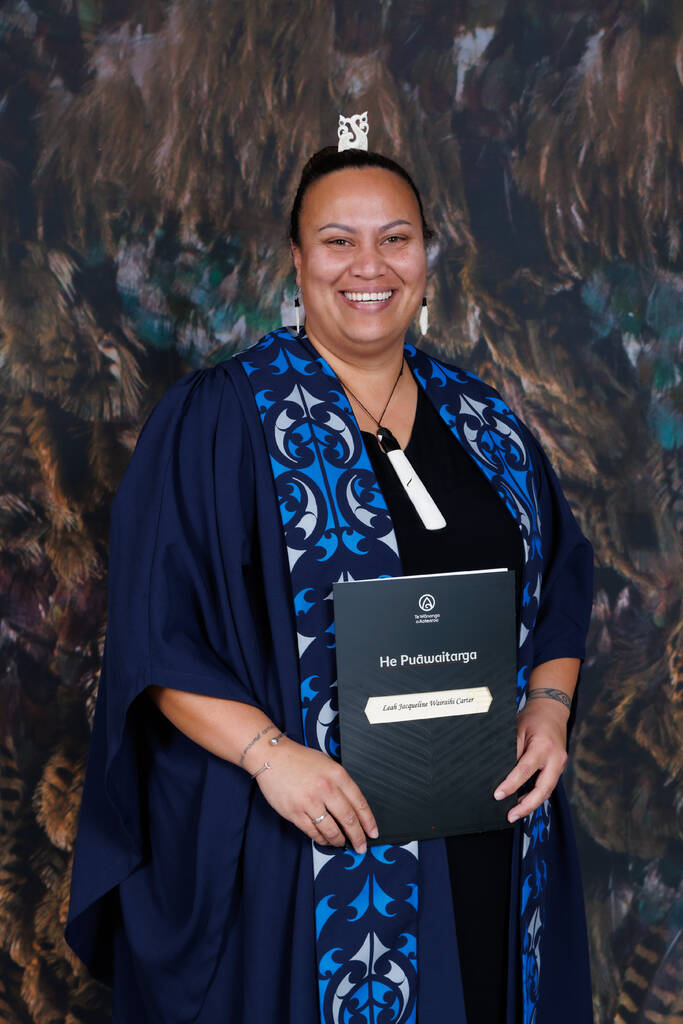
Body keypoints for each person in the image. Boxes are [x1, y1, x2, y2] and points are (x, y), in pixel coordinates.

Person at [65, 132, 594, 1024]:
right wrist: (272, 761)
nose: (368, 266)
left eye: (394, 238)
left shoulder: (486, 423)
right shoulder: (222, 417)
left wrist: (546, 704)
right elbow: (156, 632)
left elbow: (562, 582)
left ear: (426, 255)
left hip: (487, 834)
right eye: (337, 240)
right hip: (310, 845)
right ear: (297, 260)